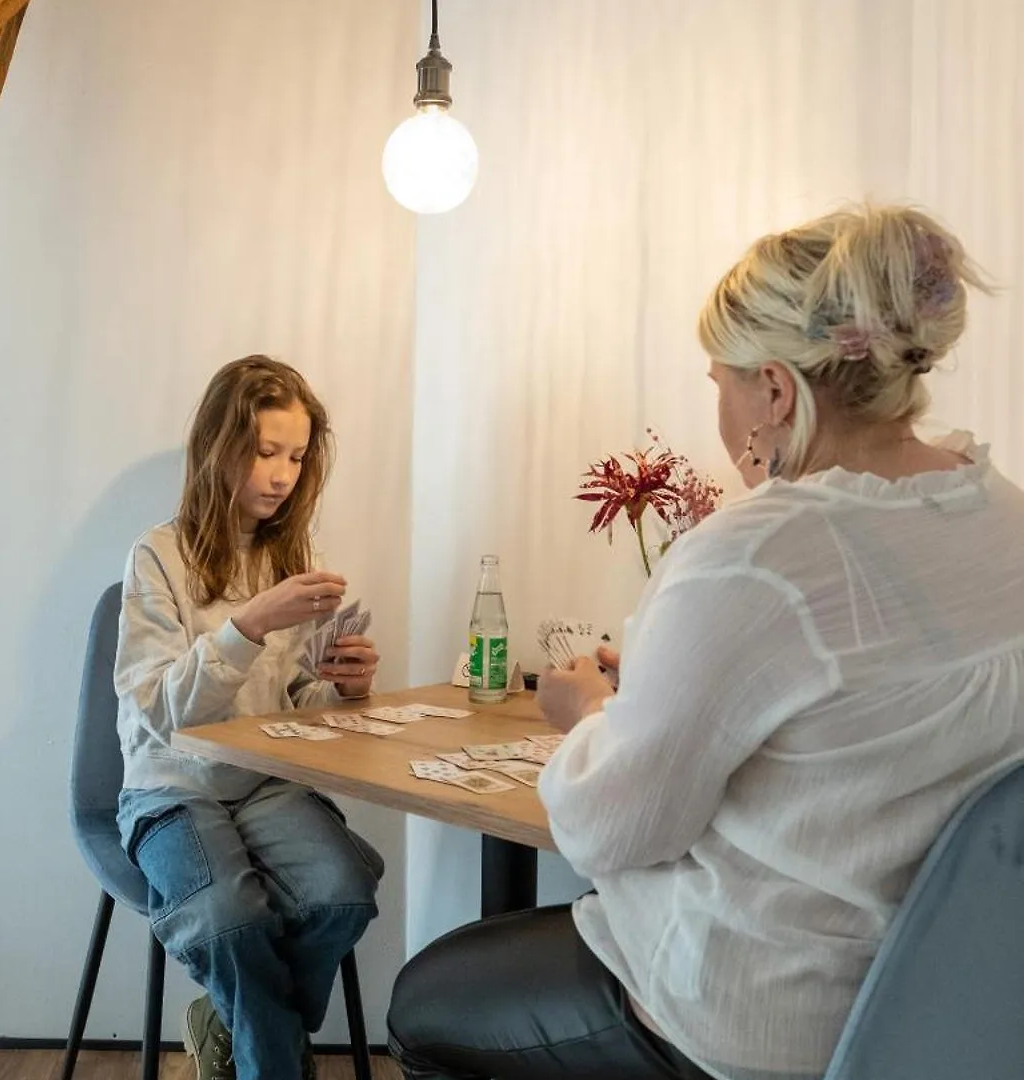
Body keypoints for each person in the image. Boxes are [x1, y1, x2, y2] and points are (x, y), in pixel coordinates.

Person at [386, 204, 1024, 1080]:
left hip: (765, 1014)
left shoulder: (755, 553)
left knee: (427, 998)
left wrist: (590, 713)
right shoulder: (1002, 512)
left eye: (716, 380)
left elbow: (611, 830)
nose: (718, 406)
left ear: (773, 389)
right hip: (950, 1005)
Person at [115, 356, 384, 1080]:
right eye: (266, 452)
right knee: (230, 922)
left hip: (265, 781)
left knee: (343, 897)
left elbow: (294, 707)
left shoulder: (292, 557)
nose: (282, 475)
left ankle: (228, 1018)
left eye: (296, 457)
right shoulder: (158, 557)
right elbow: (156, 712)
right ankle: (268, 1056)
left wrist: (343, 688)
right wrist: (247, 625)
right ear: (220, 445)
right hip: (171, 789)